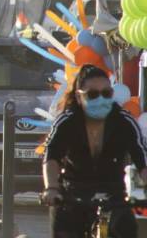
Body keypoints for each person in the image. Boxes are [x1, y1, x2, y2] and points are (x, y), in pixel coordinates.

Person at [41, 65, 147, 237]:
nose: (101, 99)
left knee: (126, 227)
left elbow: (141, 157)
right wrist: (51, 188)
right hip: (73, 194)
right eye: (92, 94)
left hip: (114, 194)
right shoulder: (67, 121)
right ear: (78, 96)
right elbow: (51, 155)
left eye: (106, 94)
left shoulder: (124, 121)